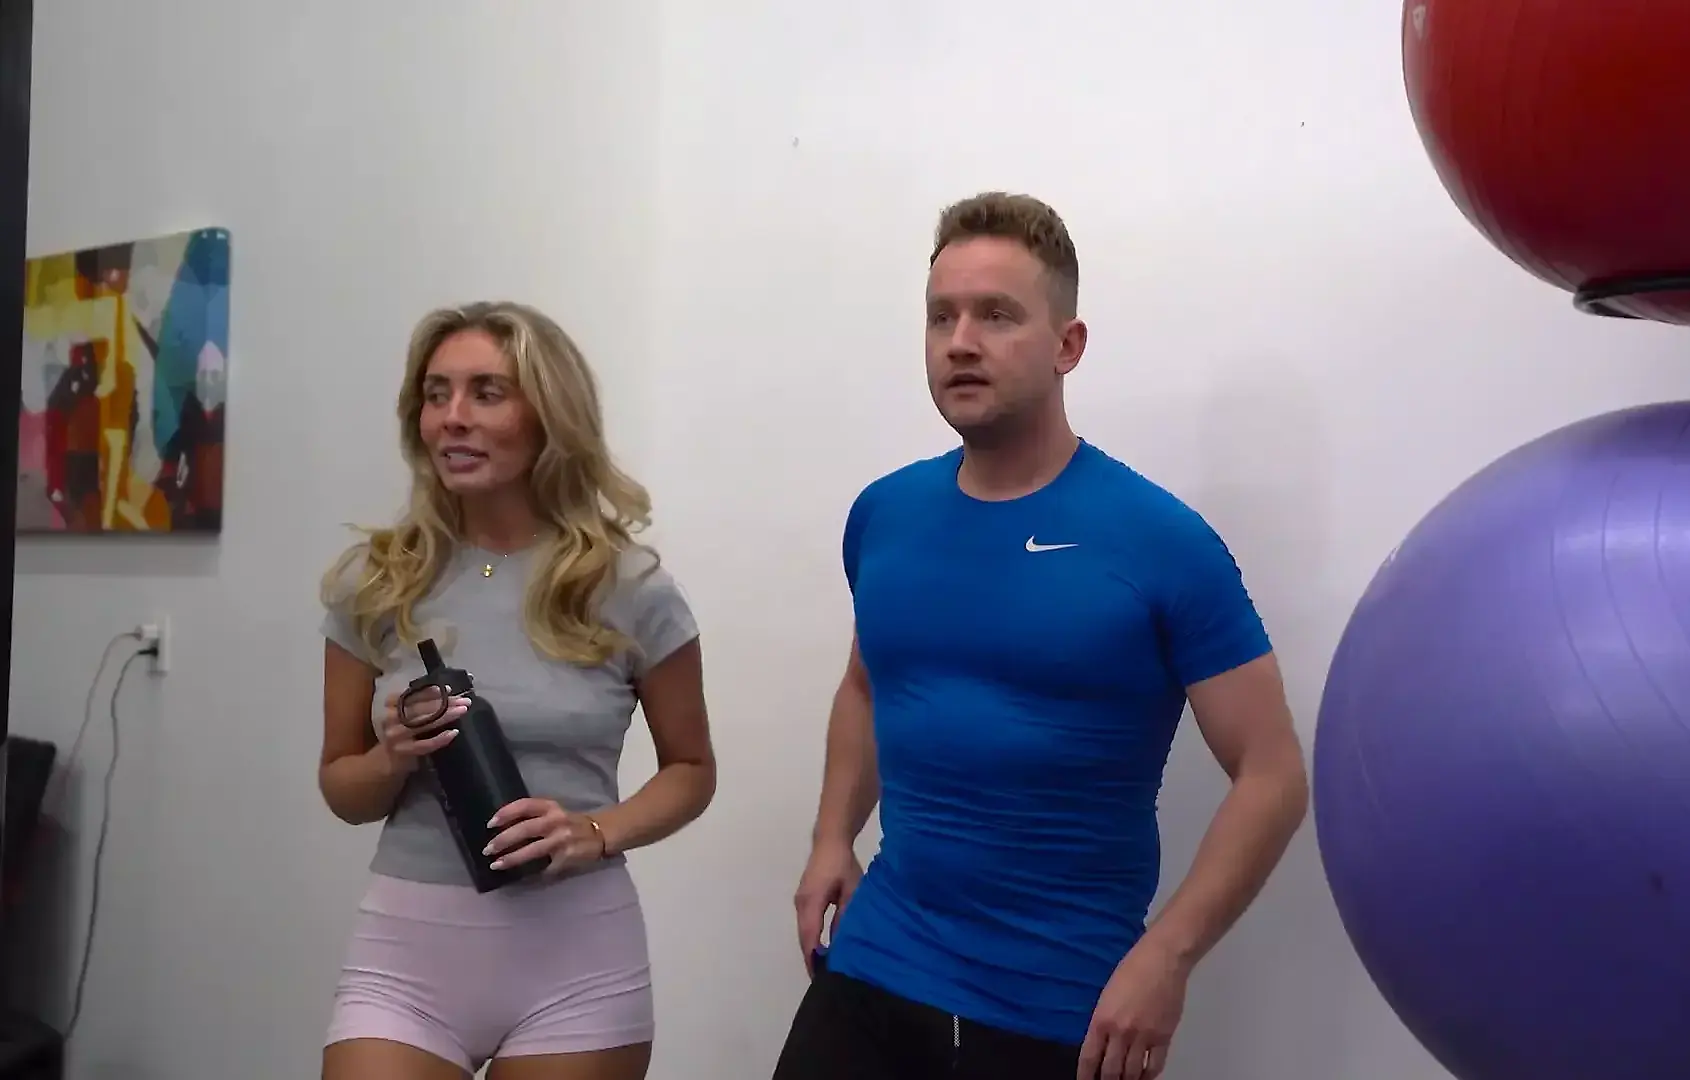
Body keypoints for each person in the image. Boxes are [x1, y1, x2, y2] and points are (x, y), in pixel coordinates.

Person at [772, 193, 1311, 1080]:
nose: (961, 342)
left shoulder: (1160, 541)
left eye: (996, 315)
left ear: (1068, 345)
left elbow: (1273, 773)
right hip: (876, 966)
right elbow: (869, 684)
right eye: (941, 316)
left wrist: (1167, 957)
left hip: (1063, 1006)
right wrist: (833, 835)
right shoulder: (885, 515)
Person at [315, 301, 716, 1080]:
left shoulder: (629, 587)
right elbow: (342, 789)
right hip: (406, 961)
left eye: (486, 393)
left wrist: (595, 831)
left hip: (576, 963)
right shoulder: (377, 582)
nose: (453, 418)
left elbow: (692, 771)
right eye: (436, 395)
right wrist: (392, 756)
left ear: (548, 416)